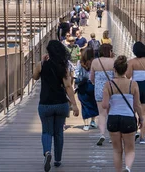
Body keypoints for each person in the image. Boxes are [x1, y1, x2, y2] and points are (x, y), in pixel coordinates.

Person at [33, 41, 79, 171]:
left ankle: (47, 152)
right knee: (58, 132)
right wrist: (74, 105)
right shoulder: (63, 67)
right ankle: (58, 160)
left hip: (45, 104)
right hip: (61, 104)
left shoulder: (41, 65)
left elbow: (34, 77)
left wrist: (41, 62)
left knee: (46, 131)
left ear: (49, 52)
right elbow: (68, 86)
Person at [102, 55, 144, 172]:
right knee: (130, 149)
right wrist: (141, 118)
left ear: (114, 69)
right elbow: (137, 105)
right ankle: (128, 168)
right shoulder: (133, 84)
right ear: (126, 70)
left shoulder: (108, 84)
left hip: (113, 118)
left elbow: (104, 105)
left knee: (117, 150)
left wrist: (111, 103)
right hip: (128, 119)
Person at [126, 42, 145, 144]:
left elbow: (128, 76)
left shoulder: (131, 62)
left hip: (134, 86)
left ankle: (133, 132)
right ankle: (142, 137)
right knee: (144, 114)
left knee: (132, 111)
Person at [90, 43, 115, 146]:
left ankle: (102, 134)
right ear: (110, 51)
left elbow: (91, 78)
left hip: (99, 90)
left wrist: (96, 83)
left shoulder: (95, 62)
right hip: (111, 90)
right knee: (111, 113)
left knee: (101, 114)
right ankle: (112, 136)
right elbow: (116, 76)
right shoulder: (113, 61)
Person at [75, 47, 99, 131]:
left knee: (84, 104)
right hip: (92, 85)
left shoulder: (80, 62)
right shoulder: (95, 62)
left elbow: (76, 73)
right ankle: (93, 121)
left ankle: (86, 124)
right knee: (93, 103)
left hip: (82, 85)